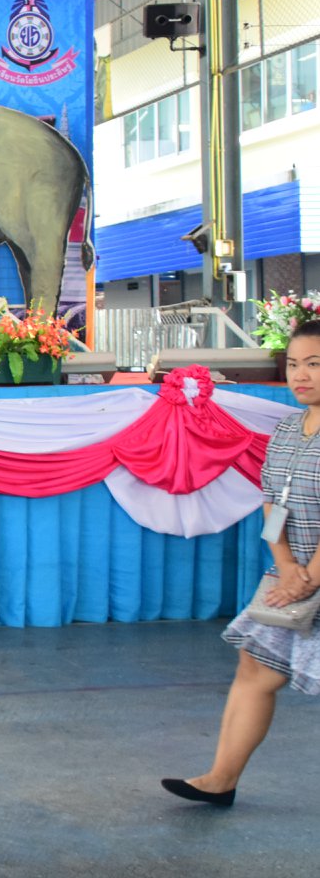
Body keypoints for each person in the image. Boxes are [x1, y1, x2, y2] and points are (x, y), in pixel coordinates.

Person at [162, 319, 320, 806]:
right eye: (293, 364)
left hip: (308, 578)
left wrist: (308, 578)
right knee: (255, 668)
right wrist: (286, 565)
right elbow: (273, 502)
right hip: (291, 576)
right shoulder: (288, 430)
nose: (301, 375)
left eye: (314, 364)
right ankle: (220, 780)